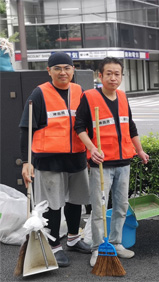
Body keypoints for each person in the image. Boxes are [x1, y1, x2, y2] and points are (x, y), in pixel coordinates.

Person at [74, 57, 149, 267]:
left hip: (124, 161)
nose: (113, 78)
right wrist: (92, 148)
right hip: (101, 163)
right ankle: (98, 247)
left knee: (121, 206)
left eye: (117, 74)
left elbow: (130, 127)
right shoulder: (89, 97)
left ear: (121, 76)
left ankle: (116, 243)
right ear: (101, 75)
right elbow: (79, 127)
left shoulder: (123, 97)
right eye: (109, 73)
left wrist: (140, 151)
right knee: (99, 207)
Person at [19, 52, 91, 267]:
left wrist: (90, 152)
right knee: (53, 204)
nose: (63, 72)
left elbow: (87, 124)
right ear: (49, 71)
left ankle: (73, 238)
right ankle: (54, 246)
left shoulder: (80, 92)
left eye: (67, 68)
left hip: (76, 157)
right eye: (57, 68)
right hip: (49, 159)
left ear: (73, 70)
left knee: (76, 200)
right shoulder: (39, 94)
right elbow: (26, 129)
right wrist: (26, 161)